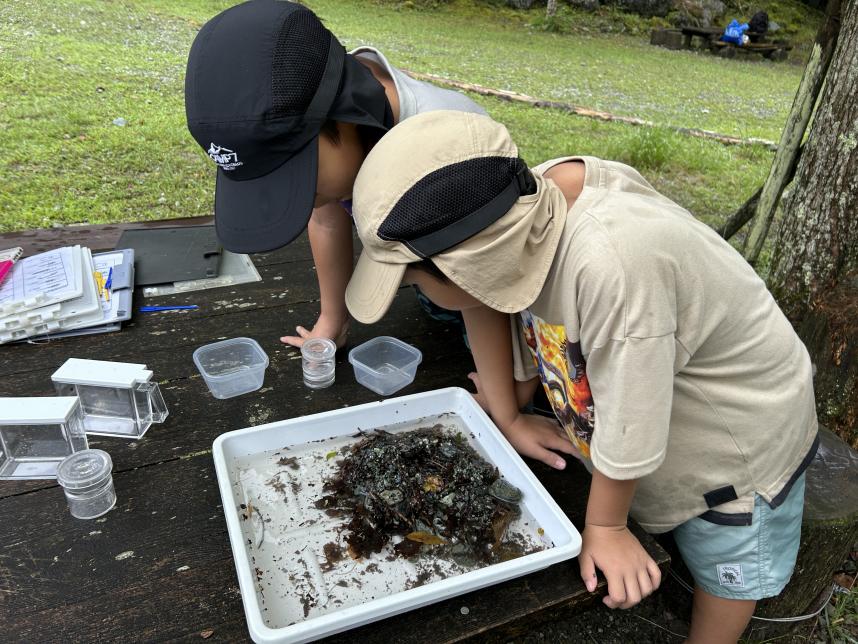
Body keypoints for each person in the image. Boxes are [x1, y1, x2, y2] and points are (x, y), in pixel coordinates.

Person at [343, 110, 819, 643]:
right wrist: (508, 414)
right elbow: (484, 300)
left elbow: (633, 416)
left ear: (465, 265)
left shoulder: (615, 265)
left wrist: (608, 527)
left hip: (732, 440)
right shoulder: (517, 209)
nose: (416, 290)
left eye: (413, 279)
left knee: (728, 562)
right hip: (643, 385)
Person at [184, 0, 486, 349]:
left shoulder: (449, 147)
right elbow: (326, 219)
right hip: (430, 275)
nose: (301, 198)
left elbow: (494, 275)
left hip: (492, 281)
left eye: (302, 183)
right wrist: (333, 318)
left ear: (343, 114)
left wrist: (507, 391)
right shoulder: (344, 118)